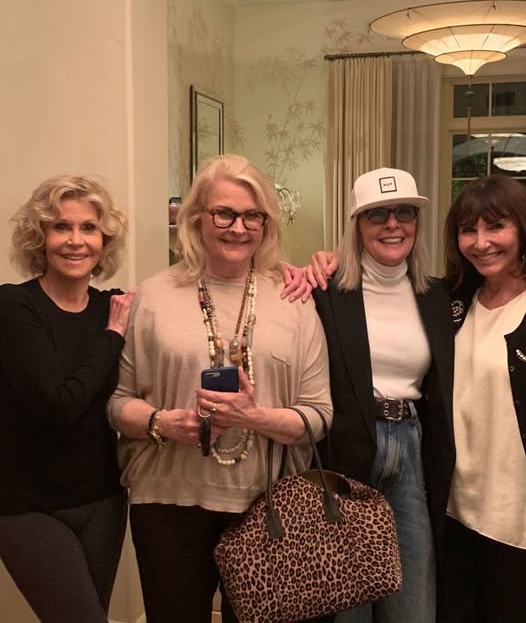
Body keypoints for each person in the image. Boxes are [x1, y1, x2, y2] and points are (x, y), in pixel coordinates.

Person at [107, 154, 332, 623]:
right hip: (167, 503)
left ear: (267, 223)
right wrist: (162, 422)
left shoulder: (294, 300)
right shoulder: (152, 296)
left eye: (253, 215)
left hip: (267, 506)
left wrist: (253, 416)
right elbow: (117, 403)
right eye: (224, 213)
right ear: (195, 219)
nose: (238, 228)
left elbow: (318, 415)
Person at [307, 167, 455, 623]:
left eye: (404, 212)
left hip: (413, 446)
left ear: (417, 221)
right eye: (377, 215)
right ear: (358, 226)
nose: (392, 224)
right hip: (349, 447)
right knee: (350, 604)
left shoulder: (439, 296)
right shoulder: (326, 292)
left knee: (414, 602)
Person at [0, 175, 135, 623]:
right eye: (61, 227)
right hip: (27, 506)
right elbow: (60, 404)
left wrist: (306, 271)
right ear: (40, 236)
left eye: (88, 228)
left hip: (103, 500)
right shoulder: (14, 306)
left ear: (104, 239)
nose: (76, 241)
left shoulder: (111, 305)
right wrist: (113, 335)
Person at [441, 174, 526, 623]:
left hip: (515, 519)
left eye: (496, 227)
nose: (481, 242)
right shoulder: (453, 302)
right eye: (468, 229)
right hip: (455, 510)